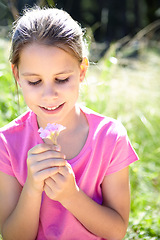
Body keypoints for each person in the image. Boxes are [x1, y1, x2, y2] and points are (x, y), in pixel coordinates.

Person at [0, 6, 138, 240]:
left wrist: (70, 196)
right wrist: (33, 188)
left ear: (82, 70)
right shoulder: (7, 142)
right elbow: (13, 236)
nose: (49, 94)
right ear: (17, 75)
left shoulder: (109, 137)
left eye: (62, 79)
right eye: (34, 81)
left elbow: (116, 231)